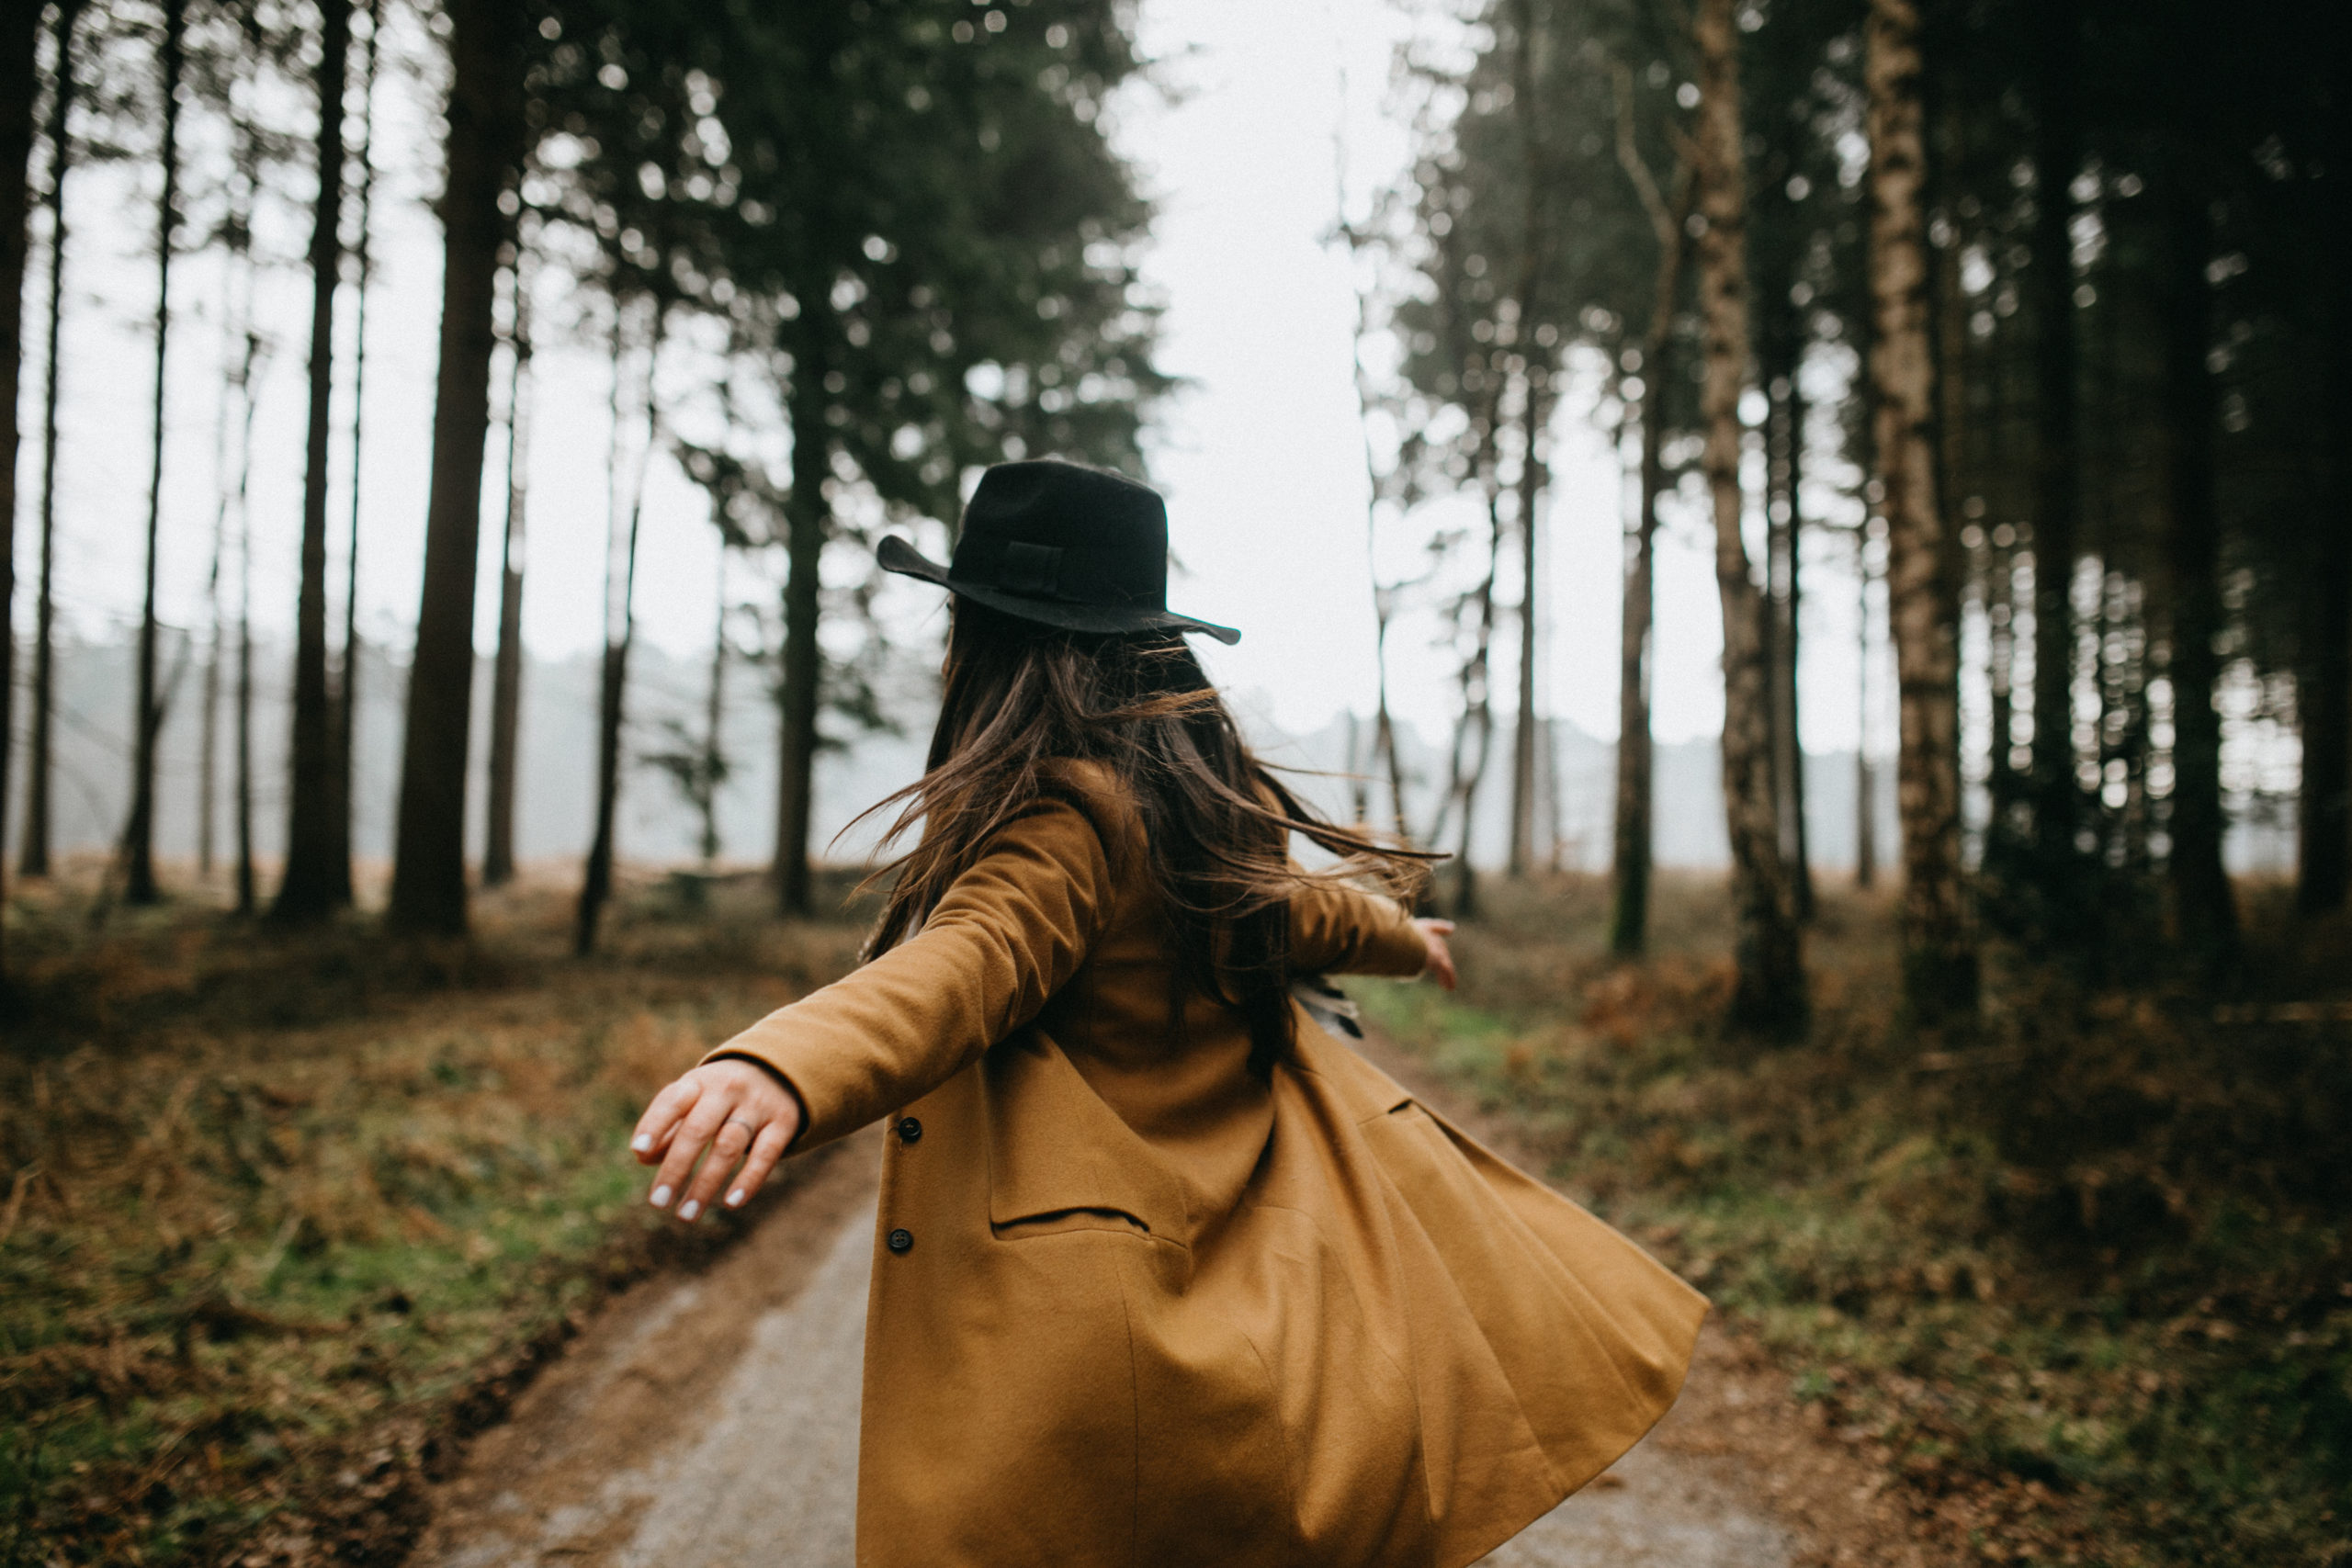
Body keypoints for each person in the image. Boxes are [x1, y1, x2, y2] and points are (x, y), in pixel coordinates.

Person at [628, 459, 1705, 1567]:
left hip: (1090, 1327)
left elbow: (968, 959)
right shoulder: (1197, 808)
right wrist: (1404, 938)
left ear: (987, 642)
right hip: (1240, 1280)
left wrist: (779, 1064)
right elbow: (1307, 913)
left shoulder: (1064, 818)